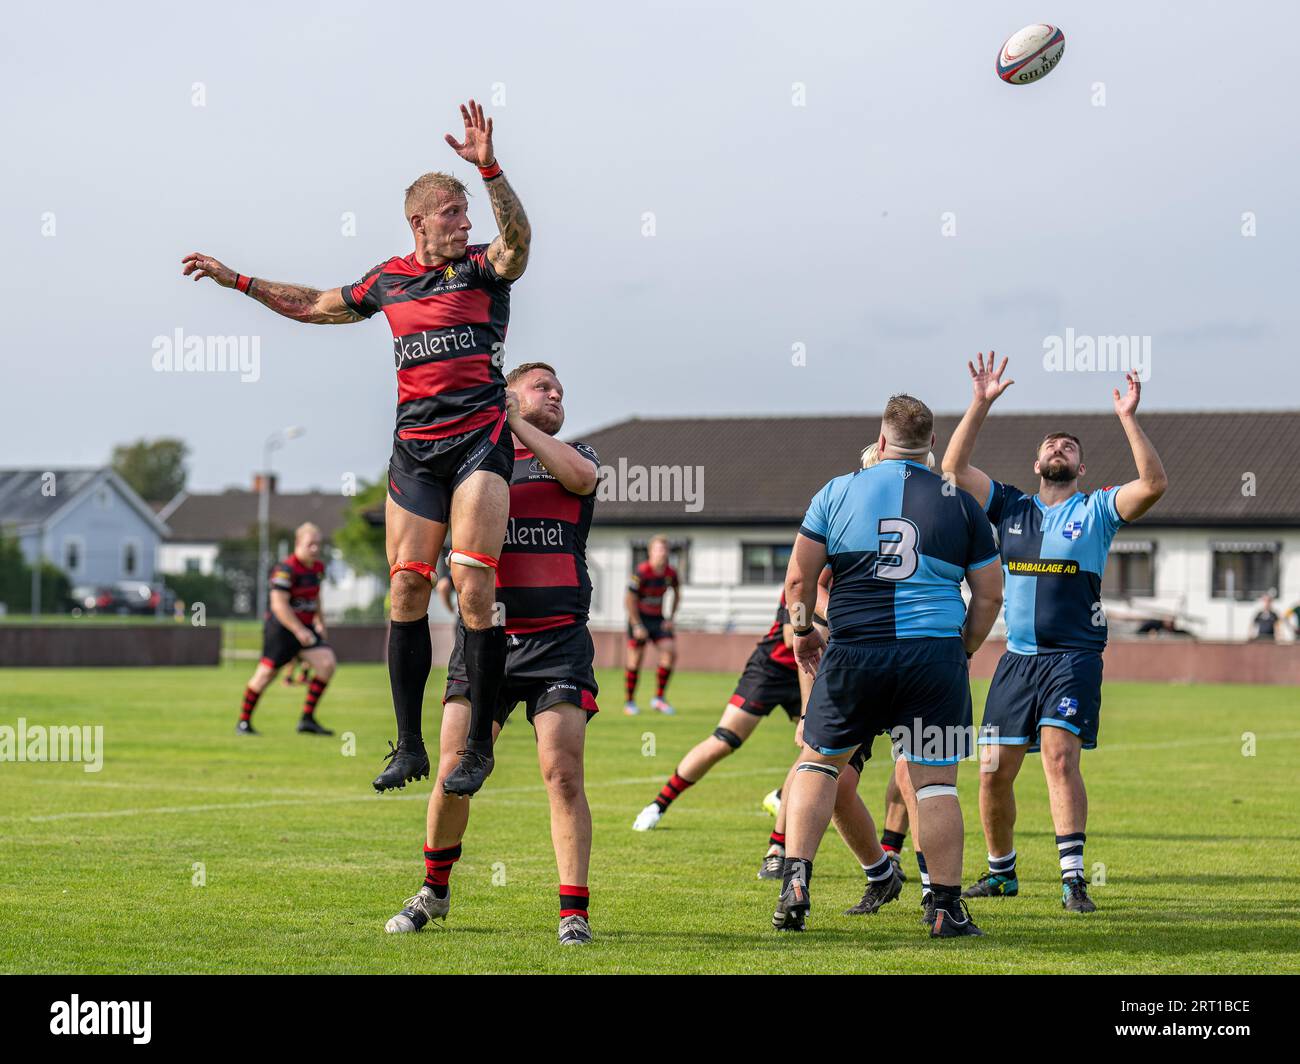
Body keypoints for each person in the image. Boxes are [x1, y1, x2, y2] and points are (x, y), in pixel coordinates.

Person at [184, 101, 530, 797]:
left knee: (472, 583)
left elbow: (519, 240)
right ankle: (409, 745)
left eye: (469, 213)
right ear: (420, 221)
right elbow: (314, 304)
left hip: (479, 443)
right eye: (454, 215)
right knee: (405, 586)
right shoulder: (390, 279)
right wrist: (238, 281)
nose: (468, 225)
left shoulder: (486, 272)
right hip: (415, 454)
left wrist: (489, 167)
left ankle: (479, 748)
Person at [384, 363, 601, 945]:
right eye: (542, 386)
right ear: (507, 393)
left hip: (557, 643)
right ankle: (433, 890)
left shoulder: (572, 454)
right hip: (486, 644)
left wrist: (517, 424)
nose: (556, 394)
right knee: (455, 771)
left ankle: (572, 912)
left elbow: (581, 478)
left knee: (561, 773)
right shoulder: (471, 464)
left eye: (561, 389)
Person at [943, 352, 1167, 913]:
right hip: (1017, 660)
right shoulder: (1011, 506)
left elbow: (1154, 483)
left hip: (1073, 656)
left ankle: (1073, 879)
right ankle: (1001, 873)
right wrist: (980, 403)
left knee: (1059, 756)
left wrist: (1128, 418)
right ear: (1037, 461)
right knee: (993, 771)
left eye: (1069, 447)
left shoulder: (1096, 511)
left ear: (1082, 468)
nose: (1058, 448)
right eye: (1051, 444)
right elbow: (951, 471)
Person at [773, 394, 1004, 937]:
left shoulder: (837, 491)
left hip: (855, 652)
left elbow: (798, 584)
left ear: (880, 442)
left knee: (819, 764)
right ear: (930, 449)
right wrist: (964, 649)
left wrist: (804, 630)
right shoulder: (960, 501)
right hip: (933, 656)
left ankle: (795, 882)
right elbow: (990, 597)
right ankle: (945, 908)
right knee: (935, 786)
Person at [237, 523, 337, 736]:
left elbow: (316, 597)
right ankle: (243, 723)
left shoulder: (317, 568)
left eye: (318, 544)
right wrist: (299, 630)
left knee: (327, 664)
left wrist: (320, 622)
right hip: (281, 632)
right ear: (298, 544)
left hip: (307, 629)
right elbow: (278, 605)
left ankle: (307, 720)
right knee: (265, 675)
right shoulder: (285, 569)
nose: (315, 549)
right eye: (310, 544)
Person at [623, 536, 680, 714]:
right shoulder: (641, 572)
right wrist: (637, 625)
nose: (662, 553)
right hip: (639, 619)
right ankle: (630, 702)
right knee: (636, 660)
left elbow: (677, 592)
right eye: (658, 549)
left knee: (670, 652)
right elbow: (629, 599)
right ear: (651, 552)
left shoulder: (670, 573)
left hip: (658, 619)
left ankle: (659, 699)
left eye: (665, 549)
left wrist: (670, 618)